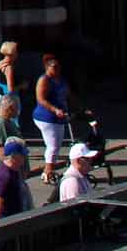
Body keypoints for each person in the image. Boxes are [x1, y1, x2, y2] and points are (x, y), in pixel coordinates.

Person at [32, 55, 74, 187]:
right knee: (53, 146)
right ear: (47, 68)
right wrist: (55, 109)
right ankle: (48, 172)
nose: (56, 69)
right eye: (53, 67)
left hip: (60, 118)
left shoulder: (61, 80)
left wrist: (81, 108)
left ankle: (49, 170)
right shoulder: (44, 80)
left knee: (56, 145)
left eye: (58, 67)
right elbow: (41, 99)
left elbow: (69, 95)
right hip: (46, 118)